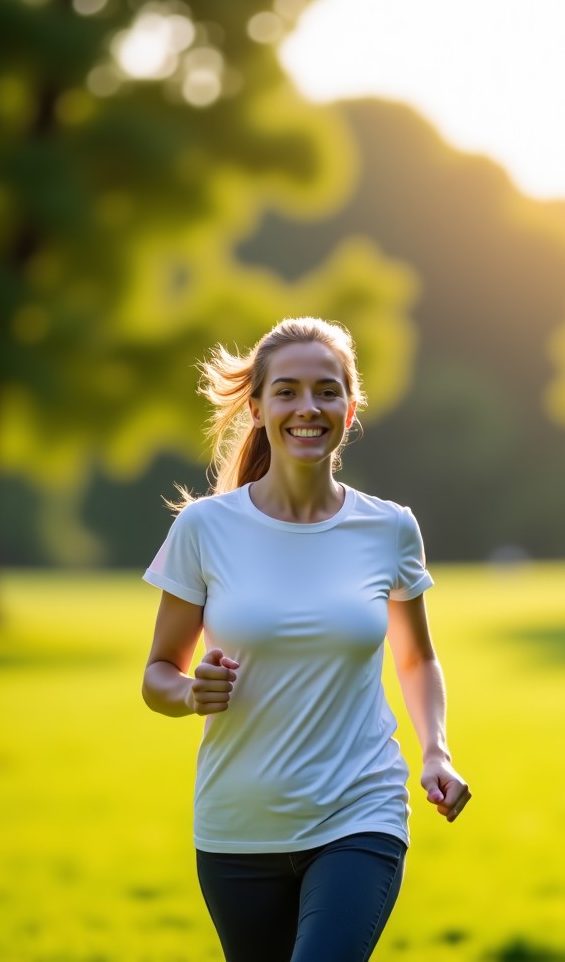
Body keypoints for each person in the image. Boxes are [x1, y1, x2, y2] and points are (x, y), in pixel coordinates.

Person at [141, 316, 471, 962]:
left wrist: (435, 750)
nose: (308, 407)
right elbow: (157, 673)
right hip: (238, 826)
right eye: (287, 391)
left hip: (360, 812)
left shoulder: (390, 529)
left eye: (326, 390)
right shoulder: (205, 530)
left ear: (349, 410)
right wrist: (189, 694)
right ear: (258, 406)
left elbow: (417, 656)